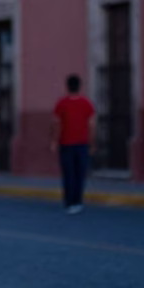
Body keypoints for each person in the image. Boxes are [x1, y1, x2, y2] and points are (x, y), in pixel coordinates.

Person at [50, 74, 95, 215]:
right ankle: (78, 201)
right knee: (80, 174)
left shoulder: (61, 103)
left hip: (66, 143)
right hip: (82, 143)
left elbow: (57, 124)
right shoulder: (86, 103)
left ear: (67, 86)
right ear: (79, 86)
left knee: (68, 173)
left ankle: (69, 202)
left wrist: (54, 141)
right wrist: (92, 143)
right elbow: (92, 124)